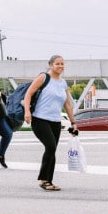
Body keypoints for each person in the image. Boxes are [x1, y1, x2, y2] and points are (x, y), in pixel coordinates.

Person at [24, 55, 77, 191]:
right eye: (57, 64)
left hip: (55, 122)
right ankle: (44, 180)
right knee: (51, 146)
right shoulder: (43, 77)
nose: (60, 66)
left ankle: (49, 181)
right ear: (51, 65)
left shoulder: (63, 83)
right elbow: (28, 94)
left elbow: (67, 104)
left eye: (62, 64)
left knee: (52, 150)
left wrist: (73, 123)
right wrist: (27, 112)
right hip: (40, 119)